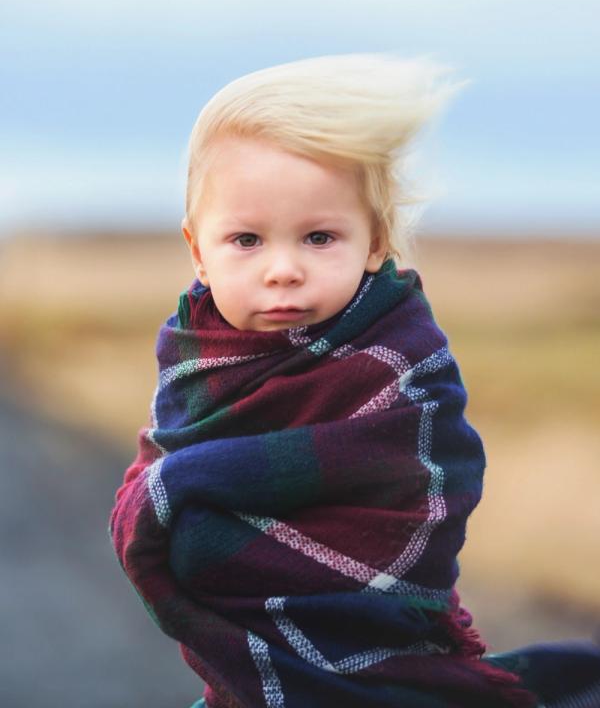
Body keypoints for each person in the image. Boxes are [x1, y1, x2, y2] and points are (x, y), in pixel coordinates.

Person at [110, 55, 600, 708]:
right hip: (245, 684)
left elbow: (428, 481)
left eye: (318, 237)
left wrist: (198, 514)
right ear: (198, 248)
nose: (282, 269)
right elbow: (159, 476)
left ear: (374, 244)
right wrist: (175, 501)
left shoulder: (398, 363)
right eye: (247, 240)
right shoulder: (194, 352)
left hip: (381, 657)